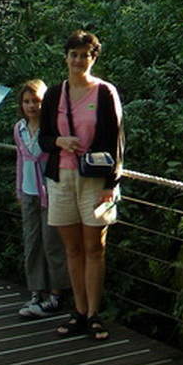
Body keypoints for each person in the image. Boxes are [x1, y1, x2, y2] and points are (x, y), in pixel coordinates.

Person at [39, 30, 123, 342]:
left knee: (95, 248)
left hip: (95, 181)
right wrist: (60, 141)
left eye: (84, 55)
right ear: (66, 57)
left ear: (93, 57)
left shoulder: (104, 93)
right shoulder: (53, 95)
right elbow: (44, 139)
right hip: (61, 177)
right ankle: (78, 310)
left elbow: (116, 140)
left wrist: (110, 184)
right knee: (73, 248)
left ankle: (93, 314)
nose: (78, 60)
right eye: (73, 54)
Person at [14, 78, 70, 319]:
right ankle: (36, 290)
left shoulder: (52, 128)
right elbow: (20, 160)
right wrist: (18, 190)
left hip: (50, 192)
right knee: (32, 242)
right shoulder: (19, 128)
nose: (31, 106)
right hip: (28, 192)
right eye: (26, 101)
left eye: (36, 101)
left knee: (52, 242)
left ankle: (57, 292)